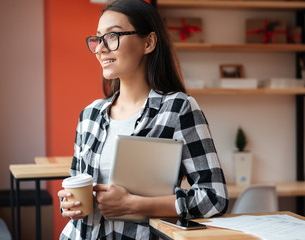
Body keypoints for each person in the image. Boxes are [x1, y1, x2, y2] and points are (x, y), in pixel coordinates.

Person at [58, 0, 228, 239]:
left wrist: (134, 205)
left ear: (148, 42)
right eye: (98, 38)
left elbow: (214, 197)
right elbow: (76, 186)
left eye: (113, 36)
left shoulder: (178, 108)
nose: (100, 48)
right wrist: (69, 205)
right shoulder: (90, 115)